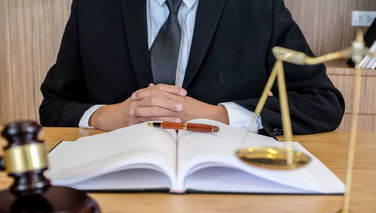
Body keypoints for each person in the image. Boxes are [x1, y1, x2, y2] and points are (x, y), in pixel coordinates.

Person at [40, 0, 345, 136]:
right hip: (112, 186)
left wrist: (220, 116)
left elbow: (322, 103)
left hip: (227, 192)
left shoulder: (259, 6)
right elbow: (54, 105)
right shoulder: (92, 6)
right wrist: (106, 116)